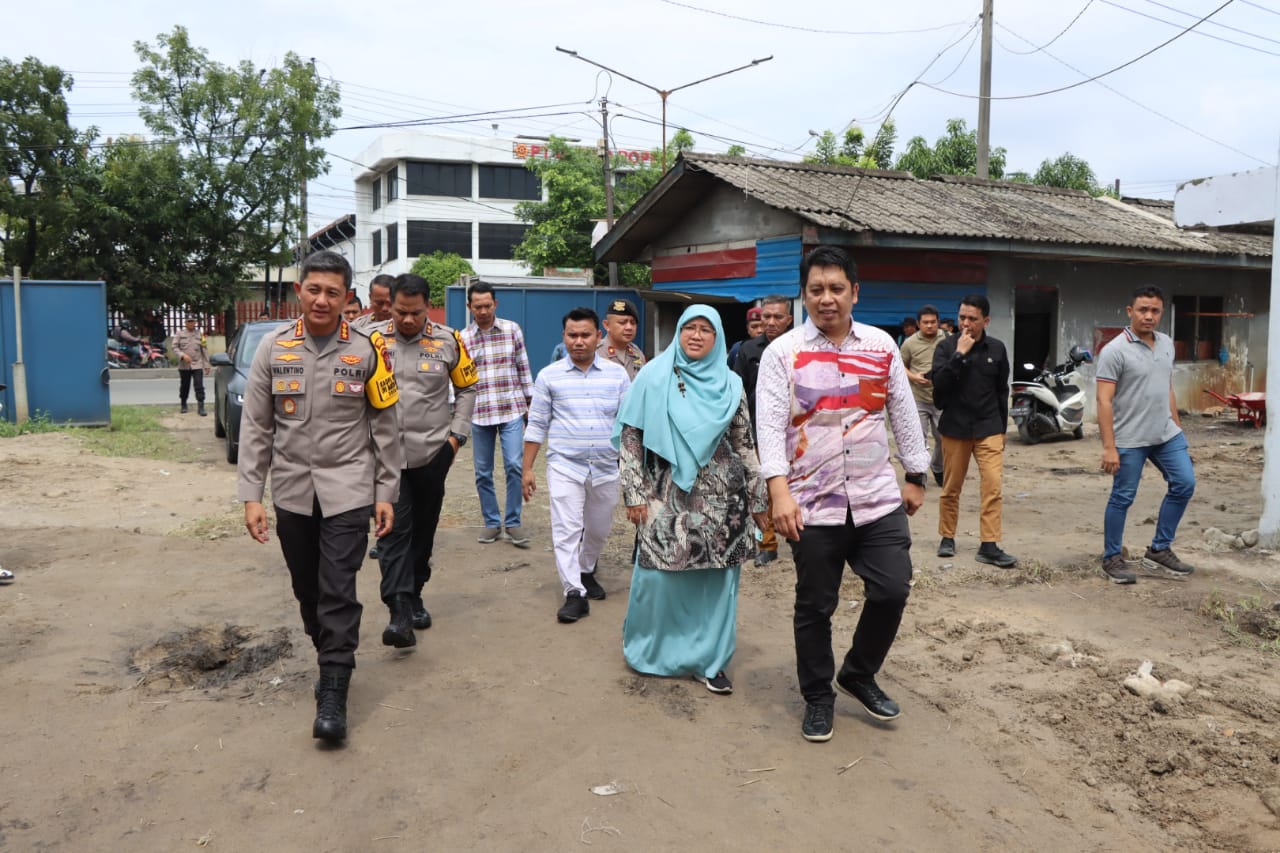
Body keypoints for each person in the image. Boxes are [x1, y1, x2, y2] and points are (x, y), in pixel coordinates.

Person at [757, 246, 928, 741]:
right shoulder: (780, 353)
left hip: (877, 497)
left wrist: (915, 474)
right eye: (816, 290)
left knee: (893, 588)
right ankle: (817, 696)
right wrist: (779, 494)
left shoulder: (881, 346)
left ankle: (857, 672)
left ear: (855, 291)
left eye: (836, 288)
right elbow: (768, 427)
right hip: (810, 502)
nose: (826, 299)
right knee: (816, 605)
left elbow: (902, 411)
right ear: (803, 294)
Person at [236, 250, 401, 743]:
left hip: (348, 488)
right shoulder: (273, 348)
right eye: (314, 290)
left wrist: (385, 491)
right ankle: (327, 650)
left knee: (337, 588)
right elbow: (257, 427)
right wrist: (252, 495)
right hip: (291, 492)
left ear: (347, 297)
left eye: (333, 292)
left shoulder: (369, 351)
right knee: (308, 590)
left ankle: (334, 684)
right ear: (299, 293)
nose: (322, 300)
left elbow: (385, 426)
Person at [615, 305, 767, 693]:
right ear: (679, 333)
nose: (696, 336)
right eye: (689, 328)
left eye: (706, 330)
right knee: (658, 578)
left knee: (715, 584)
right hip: (663, 494)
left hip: (722, 501)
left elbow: (744, 444)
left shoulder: (731, 384)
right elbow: (631, 439)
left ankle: (710, 662)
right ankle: (650, 651)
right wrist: (634, 493)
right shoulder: (653, 376)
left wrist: (760, 498)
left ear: (717, 338)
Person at [375, 273, 478, 643]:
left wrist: (456, 438)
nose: (406, 320)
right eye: (400, 311)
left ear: (427, 308)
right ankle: (399, 610)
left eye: (415, 313)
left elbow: (467, 387)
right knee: (393, 532)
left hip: (433, 456)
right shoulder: (372, 340)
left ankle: (416, 591)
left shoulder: (450, 341)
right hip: (386, 459)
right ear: (391, 305)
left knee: (423, 531)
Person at [522, 307, 631, 623]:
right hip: (565, 466)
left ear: (599, 336)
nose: (579, 341)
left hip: (606, 467)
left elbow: (629, 424)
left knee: (598, 529)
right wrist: (527, 469)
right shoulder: (549, 376)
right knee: (567, 529)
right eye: (573, 335)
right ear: (564, 337)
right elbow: (537, 424)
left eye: (585, 335)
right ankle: (573, 593)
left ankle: (585, 570)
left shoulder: (617, 375)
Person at [1097, 285, 1196, 584]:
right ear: (1130, 312)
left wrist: (1178, 428)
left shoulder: (1166, 343)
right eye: (1142, 310)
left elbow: (1167, 388)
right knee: (1123, 497)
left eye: (1154, 311)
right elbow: (1103, 400)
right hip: (1130, 438)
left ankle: (1159, 549)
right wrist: (1109, 447)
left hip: (1166, 434)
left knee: (1185, 483)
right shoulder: (1114, 351)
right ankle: (1112, 557)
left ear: (1161, 313)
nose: (1149, 316)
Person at [931, 295, 1017, 568]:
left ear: (986, 321)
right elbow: (939, 392)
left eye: (972, 319)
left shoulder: (998, 349)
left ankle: (989, 545)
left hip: (988, 426)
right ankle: (947, 536)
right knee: (951, 487)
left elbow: (1002, 391)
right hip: (955, 428)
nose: (966, 324)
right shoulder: (945, 348)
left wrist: (1002, 429)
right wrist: (959, 355)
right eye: (962, 318)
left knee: (992, 485)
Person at [461, 281, 534, 547]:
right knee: (483, 471)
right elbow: (460, 379)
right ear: (469, 307)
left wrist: (531, 406)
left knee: (515, 466)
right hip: (479, 412)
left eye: (487, 305)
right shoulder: (463, 338)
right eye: (477, 306)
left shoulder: (512, 330)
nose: (483, 311)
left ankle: (513, 522)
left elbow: (523, 367)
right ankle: (492, 522)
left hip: (511, 408)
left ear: (496, 304)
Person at [732, 294, 794, 566]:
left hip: (795, 432)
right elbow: (738, 392)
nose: (770, 322)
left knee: (796, 484)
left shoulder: (799, 348)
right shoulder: (748, 350)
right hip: (759, 431)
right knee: (761, 488)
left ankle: (796, 531)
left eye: (777, 317)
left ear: (789, 320)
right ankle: (766, 543)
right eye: (765, 317)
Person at [899, 305, 946, 486]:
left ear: (938, 323)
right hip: (918, 399)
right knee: (919, 438)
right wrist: (914, 377)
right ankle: (919, 474)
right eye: (925, 322)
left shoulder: (947, 339)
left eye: (933, 322)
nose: (929, 326)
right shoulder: (910, 343)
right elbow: (900, 365)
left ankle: (937, 466)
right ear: (918, 324)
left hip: (941, 399)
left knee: (944, 438)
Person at [597, 298, 647, 379]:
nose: (629, 327)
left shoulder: (637, 354)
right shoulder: (596, 354)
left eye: (633, 323)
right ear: (607, 325)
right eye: (622, 322)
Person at [172, 317, 210, 416]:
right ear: (185, 323)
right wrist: (182, 355)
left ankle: (201, 407)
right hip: (184, 365)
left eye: (193, 321)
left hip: (197, 364)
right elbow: (174, 347)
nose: (191, 323)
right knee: (185, 386)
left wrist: (206, 364)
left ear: (195, 322)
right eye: (189, 321)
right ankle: (183, 404)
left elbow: (204, 349)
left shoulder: (200, 334)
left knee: (199, 386)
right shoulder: (179, 334)